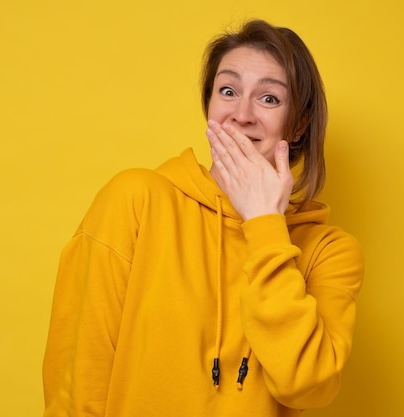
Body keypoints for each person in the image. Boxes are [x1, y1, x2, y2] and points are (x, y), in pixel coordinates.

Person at [42, 19, 364, 417]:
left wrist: (264, 225)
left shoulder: (329, 253)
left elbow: (306, 385)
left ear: (298, 125)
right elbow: (78, 374)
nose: (241, 115)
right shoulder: (137, 200)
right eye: (228, 91)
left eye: (268, 99)